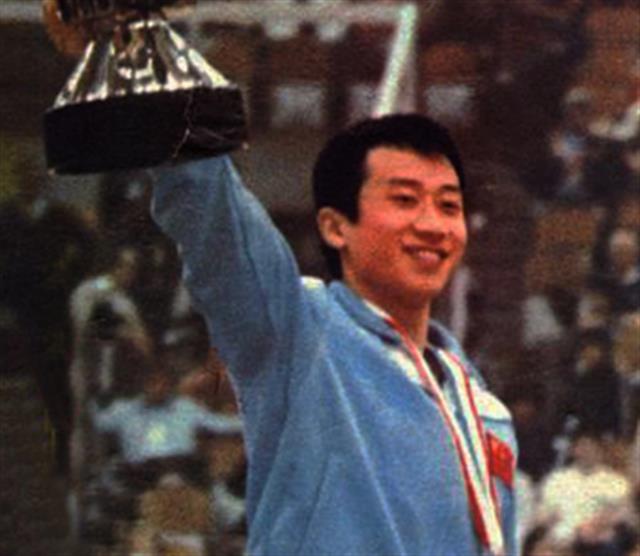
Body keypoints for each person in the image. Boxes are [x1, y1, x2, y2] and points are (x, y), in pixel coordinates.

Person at [150, 114, 518, 555]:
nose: (433, 225)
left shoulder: (483, 408)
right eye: (405, 200)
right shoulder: (300, 333)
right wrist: (172, 98)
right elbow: (215, 215)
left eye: (449, 206)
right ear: (335, 227)